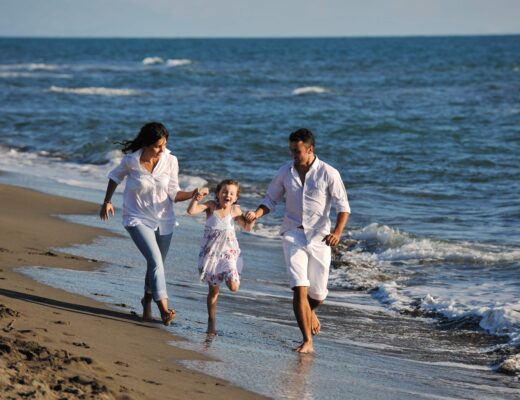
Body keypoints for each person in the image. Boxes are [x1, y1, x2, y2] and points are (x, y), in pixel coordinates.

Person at [245, 128, 350, 353]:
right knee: (299, 288)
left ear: (310, 149)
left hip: (320, 237)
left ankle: (310, 311)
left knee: (319, 294)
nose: (293, 154)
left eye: (297, 151)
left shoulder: (329, 173)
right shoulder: (285, 172)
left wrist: (338, 233)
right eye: (291, 150)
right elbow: (270, 199)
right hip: (293, 233)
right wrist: (257, 213)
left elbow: (343, 208)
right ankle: (307, 341)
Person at [99, 122, 203, 326]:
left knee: (156, 264)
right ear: (146, 144)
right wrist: (107, 202)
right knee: (155, 260)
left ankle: (146, 302)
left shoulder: (171, 161)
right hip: (136, 217)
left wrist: (192, 193)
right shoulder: (132, 160)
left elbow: (174, 193)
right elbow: (114, 176)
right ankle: (164, 308)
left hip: (164, 220)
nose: (161, 150)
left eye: (164, 145)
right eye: (157, 146)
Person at [187, 179, 254, 334]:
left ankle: (230, 277)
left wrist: (251, 219)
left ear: (236, 197)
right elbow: (191, 211)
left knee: (234, 286)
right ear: (218, 193)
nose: (227, 195)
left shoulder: (235, 211)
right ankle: (211, 322)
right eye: (224, 191)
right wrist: (195, 199)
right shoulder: (211, 206)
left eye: (231, 193)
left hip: (229, 255)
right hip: (211, 256)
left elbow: (247, 227)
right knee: (214, 292)